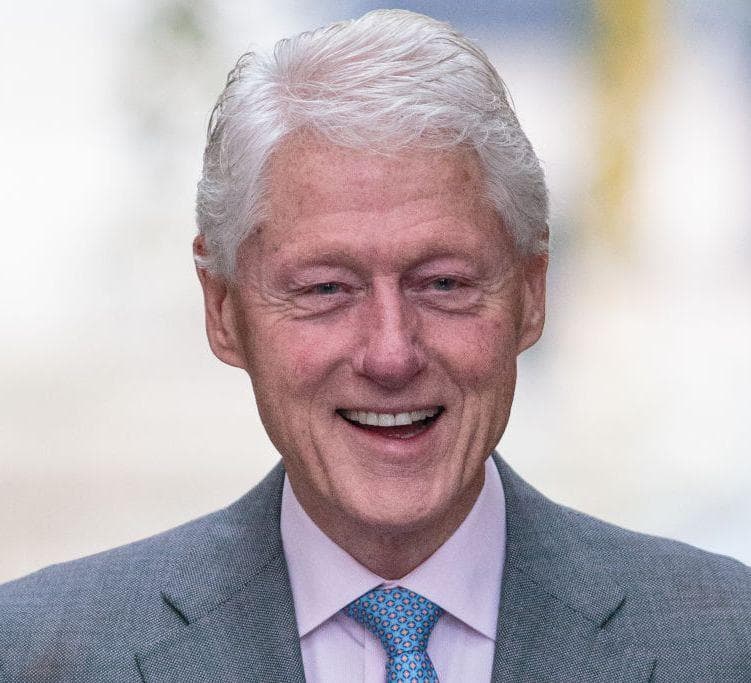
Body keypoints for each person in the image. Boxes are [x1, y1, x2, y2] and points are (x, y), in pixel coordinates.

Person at [0, 9, 749, 683]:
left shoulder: (725, 641)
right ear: (222, 309)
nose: (391, 354)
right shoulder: (40, 653)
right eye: (326, 288)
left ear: (532, 293)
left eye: (443, 283)